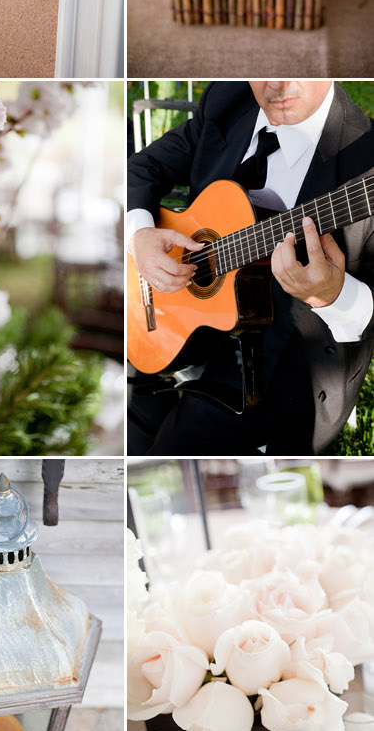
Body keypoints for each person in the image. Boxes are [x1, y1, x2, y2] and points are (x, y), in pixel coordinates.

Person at [127, 80, 374, 454]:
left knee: (170, 454)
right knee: (128, 425)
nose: (279, 83)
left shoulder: (365, 156)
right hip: (182, 321)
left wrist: (333, 295)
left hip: (283, 363)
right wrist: (140, 236)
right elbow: (143, 168)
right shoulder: (231, 100)